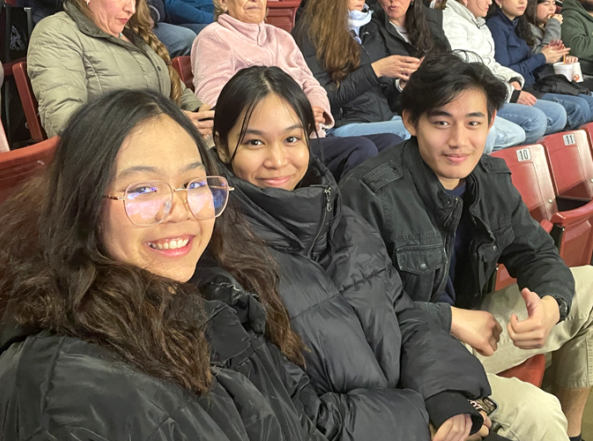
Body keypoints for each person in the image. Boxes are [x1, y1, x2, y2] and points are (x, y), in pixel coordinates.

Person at [0, 88, 331, 441]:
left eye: (193, 184)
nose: (180, 211)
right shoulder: (72, 401)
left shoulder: (207, 288)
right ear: (82, 205)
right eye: (143, 190)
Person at [200, 65, 505, 441]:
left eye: (292, 139)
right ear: (222, 143)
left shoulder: (344, 221)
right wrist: (417, 420)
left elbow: (403, 318)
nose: (278, 160)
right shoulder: (219, 261)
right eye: (254, 142)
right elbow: (292, 417)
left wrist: (444, 395)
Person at [340, 51, 593, 441]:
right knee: (537, 413)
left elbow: (536, 252)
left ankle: (574, 435)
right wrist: (450, 319)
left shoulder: (488, 177)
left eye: (473, 123)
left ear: (492, 122)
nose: (459, 141)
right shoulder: (368, 192)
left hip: (473, 329)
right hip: (410, 357)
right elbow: (359, 310)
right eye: (441, 122)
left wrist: (549, 305)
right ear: (411, 122)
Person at [191, 0, 403, 180]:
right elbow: (216, 100)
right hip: (266, 143)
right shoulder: (214, 37)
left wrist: (317, 107)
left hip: (309, 135)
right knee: (361, 149)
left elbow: (310, 83)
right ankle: (344, 218)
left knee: (392, 142)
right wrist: (297, 112)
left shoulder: (281, 37)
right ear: (222, 2)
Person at [27, 0, 212, 138]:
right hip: (117, 176)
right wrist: (169, 123)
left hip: (171, 154)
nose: (131, 8)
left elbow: (177, 90)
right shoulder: (56, 33)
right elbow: (66, 124)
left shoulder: (132, 35)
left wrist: (200, 113)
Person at [372, 0, 526, 151]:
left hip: (447, 99)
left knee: (516, 133)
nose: (393, 2)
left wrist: (512, 80)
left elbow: (452, 64)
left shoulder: (429, 21)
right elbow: (383, 90)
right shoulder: (373, 29)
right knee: (490, 134)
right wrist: (404, 82)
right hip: (416, 105)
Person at [440, 0, 568, 144]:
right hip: (479, 96)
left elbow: (491, 64)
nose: (489, 1)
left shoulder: (482, 23)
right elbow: (469, 71)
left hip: (502, 89)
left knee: (558, 114)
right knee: (536, 120)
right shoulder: (455, 22)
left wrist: (513, 77)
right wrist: (511, 92)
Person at [292, 0, 418, 140]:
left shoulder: (370, 27)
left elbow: (386, 95)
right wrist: (374, 71)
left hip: (385, 119)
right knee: (412, 131)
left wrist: (401, 85)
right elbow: (324, 99)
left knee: (429, 125)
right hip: (343, 124)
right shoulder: (310, 32)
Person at [486, 0, 593, 127]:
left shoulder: (518, 23)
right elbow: (505, 72)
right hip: (520, 89)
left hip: (534, 83)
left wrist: (551, 55)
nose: (522, 2)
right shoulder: (496, 26)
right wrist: (542, 57)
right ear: (498, 1)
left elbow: (532, 69)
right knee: (578, 107)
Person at [20, 0, 198, 58]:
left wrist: (145, 14)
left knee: (189, 37)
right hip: (75, 19)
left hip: (136, 22)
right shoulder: (52, 31)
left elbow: (157, 4)